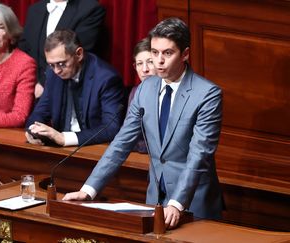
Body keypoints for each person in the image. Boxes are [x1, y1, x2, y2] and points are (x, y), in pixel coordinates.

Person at [63, 18, 224, 229]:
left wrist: (177, 204)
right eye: (155, 52)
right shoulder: (145, 89)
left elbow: (199, 155)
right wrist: (89, 189)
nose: (159, 61)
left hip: (193, 202)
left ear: (185, 54)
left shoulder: (207, 94)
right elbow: (121, 143)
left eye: (167, 53)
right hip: (155, 200)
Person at [25, 29, 125, 147]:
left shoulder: (106, 78)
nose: (57, 70)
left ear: (79, 54)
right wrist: (32, 131)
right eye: (51, 65)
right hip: (60, 149)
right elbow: (40, 113)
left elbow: (111, 128)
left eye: (62, 64)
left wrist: (64, 138)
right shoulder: (52, 74)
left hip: (93, 149)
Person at [18, 0, 105, 98]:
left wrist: (43, 83)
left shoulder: (90, 9)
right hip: (31, 90)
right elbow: (25, 48)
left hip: (68, 91)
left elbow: (76, 54)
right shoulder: (34, 9)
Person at [129, 37, 157, 153]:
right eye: (140, 64)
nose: (144, 69)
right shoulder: (135, 92)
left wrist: (136, 145)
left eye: (150, 62)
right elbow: (128, 135)